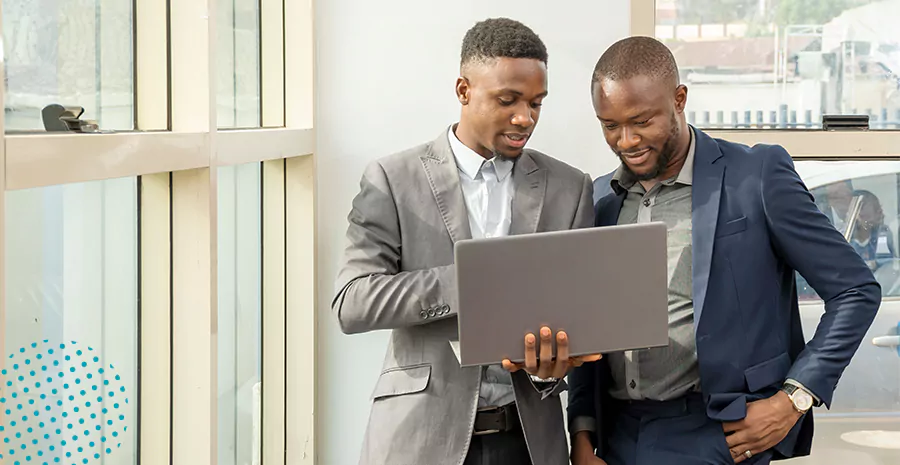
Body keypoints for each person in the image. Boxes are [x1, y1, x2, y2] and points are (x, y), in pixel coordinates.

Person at [567, 36, 881, 465]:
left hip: (720, 435)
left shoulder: (756, 176)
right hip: (618, 438)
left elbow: (855, 291)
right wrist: (582, 433)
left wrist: (794, 399)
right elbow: (588, 327)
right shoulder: (600, 198)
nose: (627, 141)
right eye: (610, 126)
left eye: (641, 121)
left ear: (679, 100)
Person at [332, 18, 599, 465]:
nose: (525, 118)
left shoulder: (571, 188)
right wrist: (475, 280)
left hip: (529, 442)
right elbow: (352, 302)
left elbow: (578, 319)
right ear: (463, 90)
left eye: (536, 103)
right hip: (420, 437)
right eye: (508, 100)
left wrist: (547, 373)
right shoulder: (393, 180)